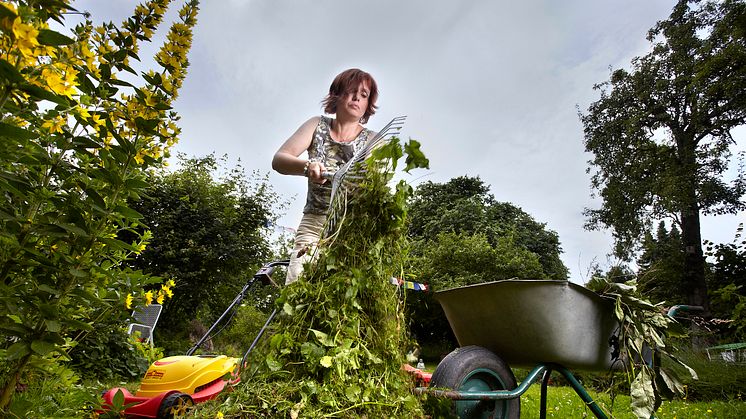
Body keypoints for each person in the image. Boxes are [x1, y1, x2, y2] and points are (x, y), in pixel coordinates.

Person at [272, 68, 379, 284]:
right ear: (338, 94)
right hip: (314, 222)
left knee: (343, 294)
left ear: (368, 105)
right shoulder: (316, 125)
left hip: (351, 228)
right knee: (297, 287)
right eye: (351, 90)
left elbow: (376, 187)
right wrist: (307, 167)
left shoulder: (374, 141)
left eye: (364, 95)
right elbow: (279, 160)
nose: (357, 97)